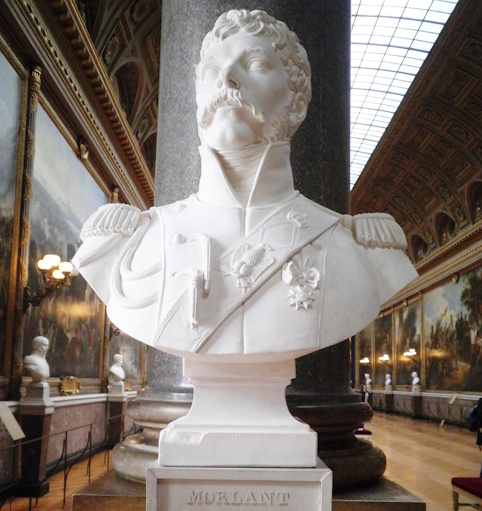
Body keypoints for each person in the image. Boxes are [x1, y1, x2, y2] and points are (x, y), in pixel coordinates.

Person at [72, 10, 417, 363]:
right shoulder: (130, 243)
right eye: (211, 71)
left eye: (255, 64)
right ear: (197, 101)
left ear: (297, 103)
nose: (227, 78)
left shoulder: (358, 251)